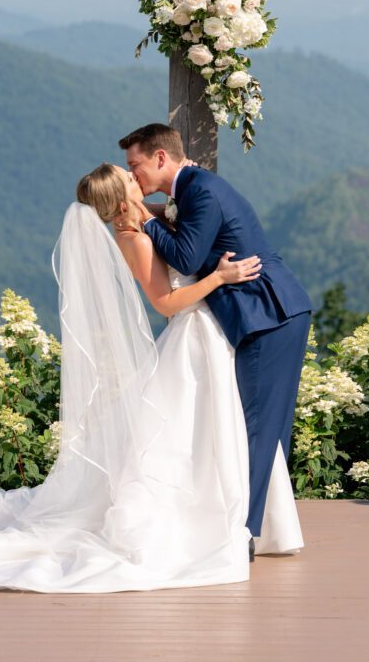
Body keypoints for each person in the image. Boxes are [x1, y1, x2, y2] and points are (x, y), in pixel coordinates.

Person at [0, 162, 300, 593]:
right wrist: (219, 278)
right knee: (190, 436)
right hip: (192, 338)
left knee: (212, 434)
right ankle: (210, 522)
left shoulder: (147, 219)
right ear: (122, 196)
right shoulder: (132, 238)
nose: (137, 177)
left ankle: (240, 518)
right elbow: (167, 303)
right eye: (130, 177)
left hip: (209, 337)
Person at [119, 123, 313, 555]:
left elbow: (186, 256)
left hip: (268, 315)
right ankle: (261, 529)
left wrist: (144, 222)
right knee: (265, 427)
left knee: (259, 428)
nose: (134, 178)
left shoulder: (200, 191)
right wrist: (150, 213)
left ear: (160, 158)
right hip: (269, 312)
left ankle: (241, 534)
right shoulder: (191, 189)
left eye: (136, 166)